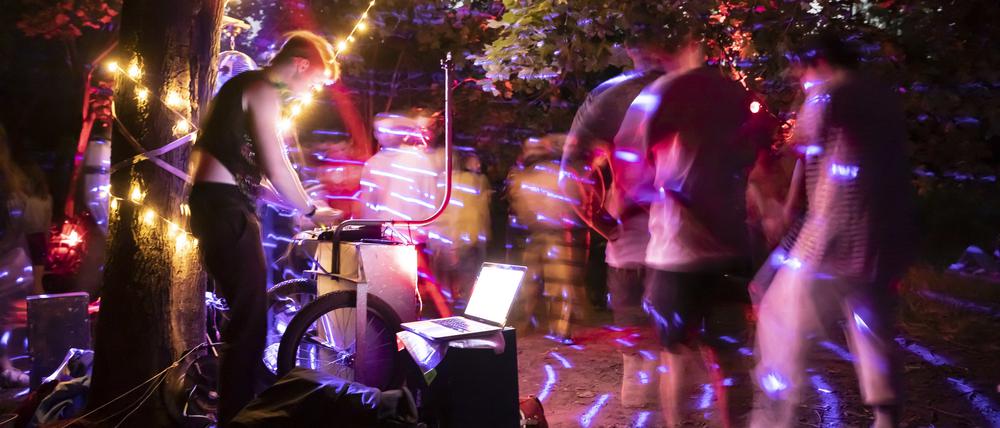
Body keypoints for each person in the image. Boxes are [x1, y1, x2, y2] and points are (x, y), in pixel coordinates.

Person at [751, 32, 916, 428]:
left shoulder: (827, 94)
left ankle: (773, 416)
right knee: (872, 326)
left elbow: (799, 148)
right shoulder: (881, 96)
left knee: (778, 316)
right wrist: (790, 206)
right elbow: (817, 156)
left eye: (800, 68)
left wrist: (776, 199)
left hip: (833, 237)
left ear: (818, 61)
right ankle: (886, 417)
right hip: (884, 237)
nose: (798, 77)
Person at [187, 31, 341, 425]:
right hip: (225, 208)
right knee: (250, 321)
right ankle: (237, 416)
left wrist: (292, 204)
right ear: (301, 64)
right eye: (315, 81)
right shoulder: (261, 88)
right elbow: (277, 163)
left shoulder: (247, 88)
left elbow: (253, 173)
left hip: (220, 205)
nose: (312, 90)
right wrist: (310, 207)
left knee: (248, 316)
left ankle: (241, 408)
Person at [616, 27, 763, 426]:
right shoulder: (734, 95)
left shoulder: (661, 95)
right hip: (729, 248)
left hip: (676, 252)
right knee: (729, 356)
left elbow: (628, 165)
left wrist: (654, 194)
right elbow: (755, 156)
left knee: (676, 353)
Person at [559, 32, 676, 408]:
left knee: (636, 320)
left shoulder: (609, 97)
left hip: (636, 235)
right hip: (671, 236)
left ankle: (643, 393)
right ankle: (657, 395)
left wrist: (601, 223)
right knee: (663, 327)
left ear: (629, 49)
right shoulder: (687, 92)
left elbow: (570, 175)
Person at [508, 134, 588, 342]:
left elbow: (520, 207)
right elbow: (576, 203)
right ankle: (557, 327)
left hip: (545, 234)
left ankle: (535, 326)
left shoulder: (526, 177)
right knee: (551, 282)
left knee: (542, 282)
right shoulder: (557, 174)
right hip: (550, 234)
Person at [427, 152, 491, 308]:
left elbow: (442, 212)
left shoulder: (445, 181)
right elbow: (478, 214)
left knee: (446, 286)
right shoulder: (475, 181)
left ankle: (449, 311)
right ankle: (466, 312)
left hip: (450, 240)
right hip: (466, 240)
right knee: (467, 283)